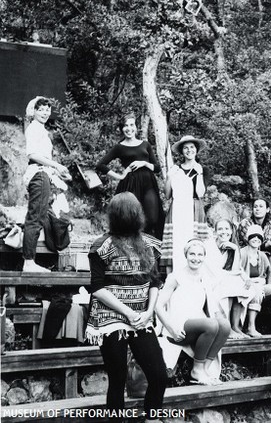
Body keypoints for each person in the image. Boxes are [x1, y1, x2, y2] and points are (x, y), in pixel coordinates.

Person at [85, 192, 167, 423]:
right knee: (118, 377)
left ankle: (152, 418)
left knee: (159, 374)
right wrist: (128, 312)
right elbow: (97, 288)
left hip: (142, 316)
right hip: (110, 318)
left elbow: (155, 282)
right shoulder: (102, 246)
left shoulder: (150, 245)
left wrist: (149, 312)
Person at [155, 239, 231, 385]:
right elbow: (158, 305)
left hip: (198, 326)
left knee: (224, 325)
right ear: (186, 255)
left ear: (204, 257)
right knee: (211, 325)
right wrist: (172, 328)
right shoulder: (175, 277)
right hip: (178, 329)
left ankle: (205, 369)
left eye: (200, 255)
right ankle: (196, 370)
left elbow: (214, 309)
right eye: (192, 254)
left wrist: (222, 323)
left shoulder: (205, 278)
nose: (196, 258)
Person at [22, 97, 72, 273]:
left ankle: (30, 261)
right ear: (33, 111)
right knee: (35, 218)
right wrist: (56, 165)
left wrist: (58, 172)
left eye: (47, 109)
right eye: (41, 109)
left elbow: (44, 159)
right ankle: (29, 262)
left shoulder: (41, 130)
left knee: (39, 216)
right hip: (38, 174)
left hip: (44, 174)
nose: (45, 113)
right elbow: (32, 155)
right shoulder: (33, 129)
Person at [96, 112, 164, 239]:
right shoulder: (119, 147)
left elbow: (157, 168)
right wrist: (120, 176)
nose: (129, 128)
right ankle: (133, 248)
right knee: (130, 219)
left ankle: (148, 249)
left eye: (132, 125)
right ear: (122, 129)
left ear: (136, 127)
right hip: (130, 184)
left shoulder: (145, 144)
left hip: (148, 183)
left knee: (153, 218)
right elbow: (100, 165)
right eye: (125, 126)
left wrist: (144, 163)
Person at [162, 135, 209, 271]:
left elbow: (200, 193)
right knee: (174, 243)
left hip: (194, 209)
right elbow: (167, 195)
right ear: (182, 151)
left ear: (196, 150)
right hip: (177, 209)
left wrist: (199, 174)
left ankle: (196, 276)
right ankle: (172, 278)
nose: (189, 150)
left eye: (192, 147)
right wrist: (169, 177)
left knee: (194, 243)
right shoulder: (176, 170)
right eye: (186, 148)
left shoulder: (201, 169)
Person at [207, 219, 255, 339]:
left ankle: (235, 326)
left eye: (227, 229)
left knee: (243, 286)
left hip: (225, 278)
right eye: (220, 229)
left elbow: (235, 270)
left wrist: (235, 249)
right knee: (231, 285)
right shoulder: (210, 246)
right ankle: (226, 328)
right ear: (215, 232)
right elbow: (213, 271)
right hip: (210, 280)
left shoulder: (231, 246)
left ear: (232, 231)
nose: (224, 232)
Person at [240, 225, 271, 337]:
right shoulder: (241, 253)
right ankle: (251, 327)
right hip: (243, 287)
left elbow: (266, 277)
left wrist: (260, 282)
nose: (256, 239)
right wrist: (254, 281)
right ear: (247, 238)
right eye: (253, 236)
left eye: (258, 236)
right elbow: (238, 273)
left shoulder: (262, 256)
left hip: (259, 285)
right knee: (256, 289)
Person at [238, 198, 271, 284]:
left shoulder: (270, 224)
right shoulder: (245, 223)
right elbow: (252, 243)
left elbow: (268, 245)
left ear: (267, 209)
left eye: (261, 206)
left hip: (261, 252)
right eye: (255, 207)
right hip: (245, 252)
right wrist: (270, 243)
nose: (257, 209)